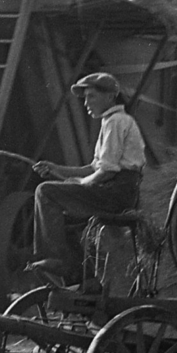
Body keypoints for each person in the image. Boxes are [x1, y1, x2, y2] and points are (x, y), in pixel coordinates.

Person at [29, 72, 146, 286]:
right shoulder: (110, 122)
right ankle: (85, 278)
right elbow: (94, 167)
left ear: (110, 97)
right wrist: (58, 170)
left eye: (91, 96)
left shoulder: (117, 121)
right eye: (84, 98)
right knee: (63, 215)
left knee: (45, 192)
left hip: (117, 192)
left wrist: (81, 183)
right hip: (114, 190)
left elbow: (108, 171)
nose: (86, 103)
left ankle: (58, 260)